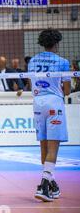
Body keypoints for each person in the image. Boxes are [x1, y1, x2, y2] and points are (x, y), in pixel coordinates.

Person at [28, 29, 70, 202]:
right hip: (54, 102)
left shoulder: (32, 61)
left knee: (43, 147)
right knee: (53, 148)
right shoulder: (63, 62)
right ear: (57, 43)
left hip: (38, 102)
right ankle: (44, 186)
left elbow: (31, 83)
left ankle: (52, 184)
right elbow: (67, 91)